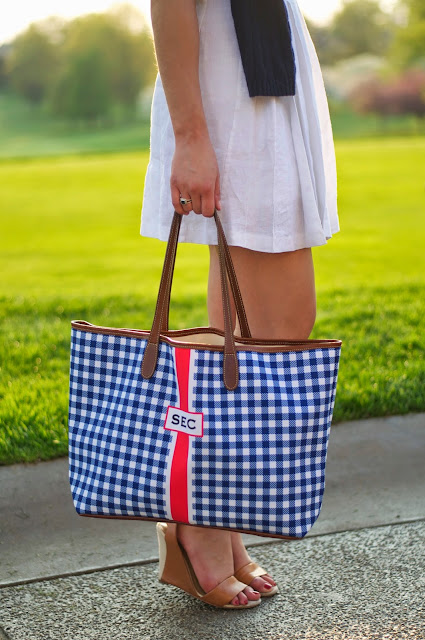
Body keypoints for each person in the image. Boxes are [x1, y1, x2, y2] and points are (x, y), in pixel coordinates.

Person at [141, 0, 339, 609]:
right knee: (276, 332)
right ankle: (198, 524)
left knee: (236, 339)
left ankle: (208, 522)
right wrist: (192, 137)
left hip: (267, 77)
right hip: (232, 92)